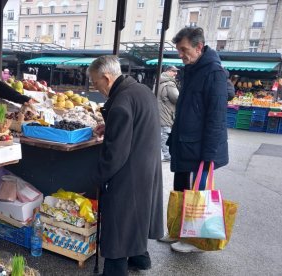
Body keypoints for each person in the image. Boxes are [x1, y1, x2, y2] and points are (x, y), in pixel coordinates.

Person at [87, 56, 163, 275]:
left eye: (95, 82)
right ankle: (140, 258)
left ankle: (115, 271)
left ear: (107, 78)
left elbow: (115, 154)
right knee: (137, 214)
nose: (95, 87)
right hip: (146, 164)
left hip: (129, 170)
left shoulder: (120, 102)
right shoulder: (140, 90)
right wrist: (109, 126)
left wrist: (97, 178)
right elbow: (136, 125)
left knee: (119, 219)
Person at [164, 27, 229, 252]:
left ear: (199, 47)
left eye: (184, 49)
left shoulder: (213, 73)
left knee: (197, 195)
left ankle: (194, 240)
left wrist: (209, 155)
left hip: (199, 149)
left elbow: (216, 118)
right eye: (178, 50)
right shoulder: (192, 69)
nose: (180, 54)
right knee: (181, 189)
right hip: (184, 144)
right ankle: (178, 231)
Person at [157, 66, 180, 162]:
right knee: (166, 133)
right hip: (166, 112)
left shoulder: (158, 80)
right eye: (174, 71)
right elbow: (176, 98)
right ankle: (167, 155)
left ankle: (162, 154)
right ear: (168, 71)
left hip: (159, 110)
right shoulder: (169, 83)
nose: (176, 74)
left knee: (161, 133)